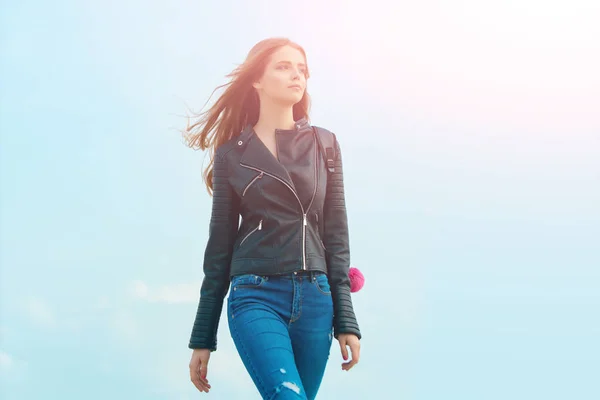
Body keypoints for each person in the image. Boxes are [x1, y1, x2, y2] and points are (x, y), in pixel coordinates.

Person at [184, 37, 362, 399]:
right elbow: (219, 246)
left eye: (302, 69)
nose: (297, 76)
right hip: (256, 295)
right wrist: (203, 335)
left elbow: (336, 234)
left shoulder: (325, 144)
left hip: (317, 299)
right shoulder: (232, 154)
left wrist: (346, 318)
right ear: (257, 80)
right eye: (284, 67)